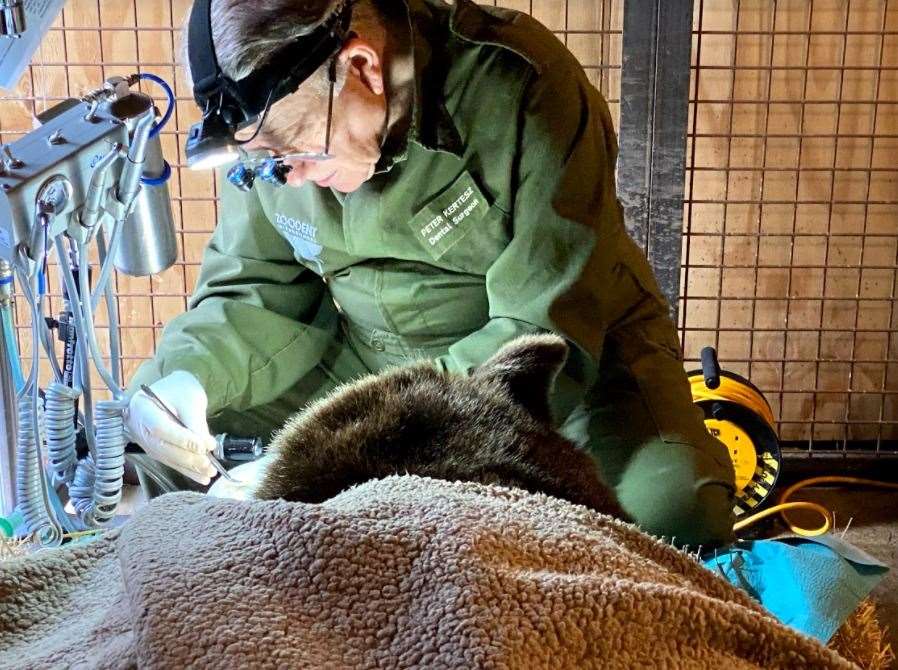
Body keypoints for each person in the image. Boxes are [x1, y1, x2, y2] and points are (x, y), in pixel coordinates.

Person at [124, 0, 736, 547]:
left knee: (673, 511)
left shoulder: (523, 87)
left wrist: (330, 456)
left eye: (299, 148)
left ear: (361, 67)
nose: (291, 176)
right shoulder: (271, 134)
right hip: (364, 354)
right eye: (266, 161)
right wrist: (192, 377)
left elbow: (543, 330)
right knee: (153, 442)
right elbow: (254, 291)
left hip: (548, 361)